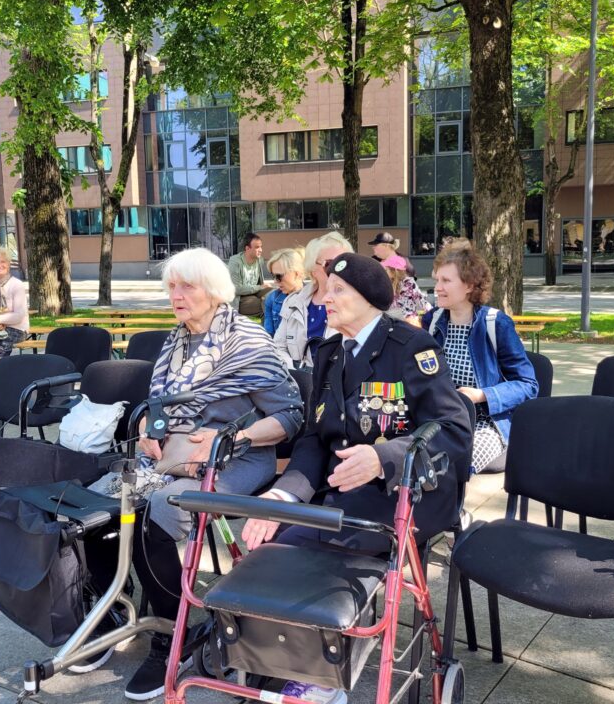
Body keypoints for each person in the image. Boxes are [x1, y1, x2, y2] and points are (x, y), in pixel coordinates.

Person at [242, 252, 471, 704]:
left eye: (338, 290)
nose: (325, 298)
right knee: (273, 548)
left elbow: (452, 430)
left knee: (323, 554)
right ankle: (282, 659)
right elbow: (314, 439)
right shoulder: (330, 353)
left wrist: (383, 457)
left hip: (404, 493)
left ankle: (322, 678)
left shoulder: (412, 347)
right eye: (326, 288)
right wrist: (283, 496)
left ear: (368, 298)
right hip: (344, 496)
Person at [126, 247, 303, 701]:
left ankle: (173, 634)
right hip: (171, 456)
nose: (176, 295)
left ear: (215, 291)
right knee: (108, 504)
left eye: (187, 286)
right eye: (171, 286)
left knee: (155, 514)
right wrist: (147, 429)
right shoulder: (176, 340)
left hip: (237, 458)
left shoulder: (247, 341)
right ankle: (111, 614)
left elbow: (289, 417)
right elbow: (159, 405)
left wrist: (231, 439)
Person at [422, 239, 538, 473]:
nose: (437, 288)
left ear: (469, 285)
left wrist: (482, 395)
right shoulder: (432, 321)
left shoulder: (496, 324)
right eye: (437, 280)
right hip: (440, 419)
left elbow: (528, 385)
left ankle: (453, 498)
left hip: (486, 423)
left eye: (446, 281)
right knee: (408, 458)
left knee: (447, 465)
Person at [273, 232, 353, 370]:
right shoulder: (293, 302)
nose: (339, 270)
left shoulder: (358, 305)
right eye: (330, 264)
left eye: (344, 264)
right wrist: (297, 372)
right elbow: (278, 347)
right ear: (312, 269)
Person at [263, 248, 305, 336]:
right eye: (273, 276)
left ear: (296, 273)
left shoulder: (314, 299)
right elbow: (269, 335)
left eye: (279, 276)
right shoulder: (271, 299)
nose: (275, 281)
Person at [227, 232, 270, 316]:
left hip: (254, 294)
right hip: (239, 299)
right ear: (247, 248)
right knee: (265, 303)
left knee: (274, 294)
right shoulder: (235, 262)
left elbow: (260, 284)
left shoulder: (259, 260)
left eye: (261, 247)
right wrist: (259, 287)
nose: (261, 250)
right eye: (257, 247)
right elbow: (236, 289)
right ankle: (268, 324)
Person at [383, 253, 428, 326]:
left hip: (408, 322)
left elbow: (421, 303)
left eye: (386, 270)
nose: (384, 272)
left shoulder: (408, 283)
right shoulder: (389, 284)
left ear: (394, 271)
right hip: (394, 321)